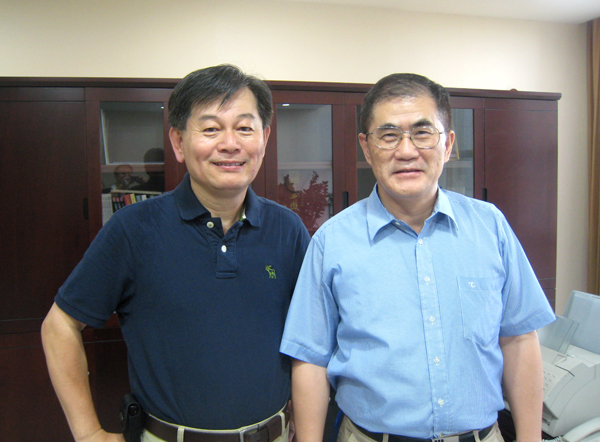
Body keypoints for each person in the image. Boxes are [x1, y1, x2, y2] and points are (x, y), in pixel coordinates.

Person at [280, 73, 556, 442]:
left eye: (423, 133)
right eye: (389, 135)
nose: (407, 151)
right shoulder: (332, 241)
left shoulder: (490, 227)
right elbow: (310, 359)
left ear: (448, 144)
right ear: (366, 147)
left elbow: (519, 339)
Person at [41, 64, 311, 442]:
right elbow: (59, 326)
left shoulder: (288, 229)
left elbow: (308, 339)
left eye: (245, 128)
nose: (230, 144)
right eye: (211, 129)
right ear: (179, 142)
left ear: (264, 139)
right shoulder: (133, 229)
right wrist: (88, 433)